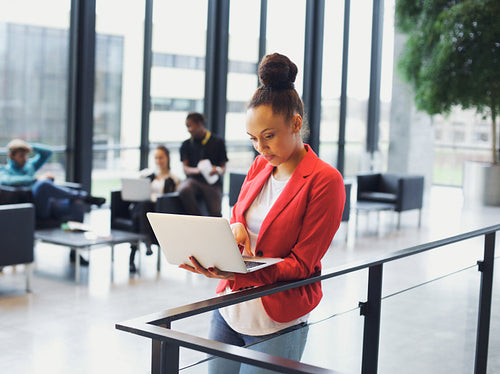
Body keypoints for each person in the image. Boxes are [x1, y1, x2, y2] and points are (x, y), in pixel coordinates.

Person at [179, 53, 346, 373]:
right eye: (253, 139)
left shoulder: (326, 181)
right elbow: (239, 211)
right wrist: (238, 226)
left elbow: (301, 264)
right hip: (229, 310)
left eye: (268, 136)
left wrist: (241, 272)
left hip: (278, 321)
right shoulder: (260, 166)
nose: (260, 147)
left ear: (296, 123)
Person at [0, 139, 105, 264]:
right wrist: (36, 179)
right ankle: (85, 196)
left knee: (76, 204)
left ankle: (75, 251)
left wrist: (28, 146)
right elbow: (10, 182)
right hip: (32, 210)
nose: (25, 159)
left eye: (26, 155)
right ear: (11, 156)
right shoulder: (4, 170)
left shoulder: (30, 166)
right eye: (21, 155)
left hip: (49, 205)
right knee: (43, 184)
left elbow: (47, 153)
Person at [128, 145, 180, 273]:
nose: (158, 161)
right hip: (142, 209)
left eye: (161, 157)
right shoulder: (148, 174)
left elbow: (169, 200)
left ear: (167, 158)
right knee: (142, 207)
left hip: (156, 209)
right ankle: (147, 241)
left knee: (142, 209)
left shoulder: (173, 179)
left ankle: (133, 256)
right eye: (156, 158)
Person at [178, 112, 228, 217]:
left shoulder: (218, 142)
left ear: (199, 124)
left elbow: (223, 169)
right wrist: (198, 170)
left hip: (212, 184)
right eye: (187, 126)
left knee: (216, 214)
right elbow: (185, 169)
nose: (189, 129)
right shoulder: (186, 145)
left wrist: (217, 170)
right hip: (194, 181)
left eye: (190, 126)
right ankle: (198, 219)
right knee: (184, 188)